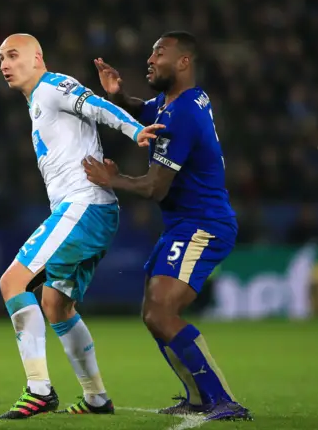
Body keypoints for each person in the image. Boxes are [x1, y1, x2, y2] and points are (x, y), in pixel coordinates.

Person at [84, 31, 252, 421]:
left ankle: (221, 399)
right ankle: (198, 397)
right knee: (153, 313)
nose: (150, 58)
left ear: (183, 62)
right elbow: (144, 109)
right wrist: (117, 97)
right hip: (185, 224)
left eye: (159, 52)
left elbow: (155, 188)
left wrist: (114, 180)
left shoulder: (183, 115)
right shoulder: (179, 101)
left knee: (161, 313)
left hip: (203, 224)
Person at [0, 33, 161, 419]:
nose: (5, 64)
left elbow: (98, 106)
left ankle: (39, 390)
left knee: (12, 282)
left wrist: (134, 130)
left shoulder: (53, 85)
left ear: (38, 57)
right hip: (90, 209)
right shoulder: (37, 101)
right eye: (1, 57)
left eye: (13, 55)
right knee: (55, 304)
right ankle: (96, 399)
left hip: (83, 206)